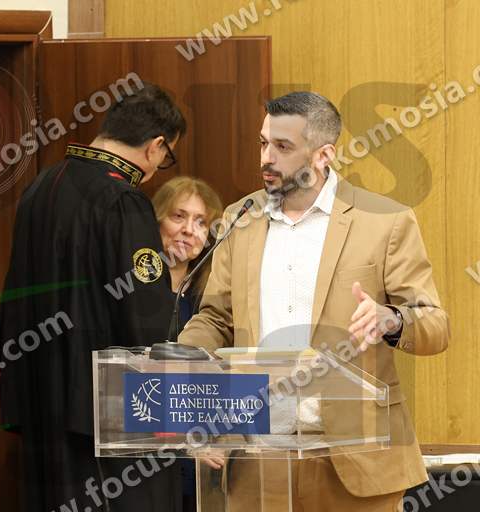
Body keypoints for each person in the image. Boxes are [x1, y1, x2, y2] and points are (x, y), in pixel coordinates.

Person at [178, 91, 449, 511]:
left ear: (324, 155)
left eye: (283, 147)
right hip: (258, 456)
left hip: (357, 458)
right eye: (263, 143)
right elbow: (216, 318)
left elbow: (434, 324)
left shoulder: (385, 221)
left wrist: (392, 319)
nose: (266, 158)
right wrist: (181, 366)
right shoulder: (240, 218)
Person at [0, 83, 187, 512]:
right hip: (103, 417)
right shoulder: (123, 199)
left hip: (41, 402)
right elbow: (143, 313)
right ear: (155, 146)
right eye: (165, 157)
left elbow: (14, 290)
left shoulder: (40, 188)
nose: (159, 167)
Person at [151, 177, 223, 512]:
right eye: (178, 216)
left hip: (206, 461)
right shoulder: (132, 294)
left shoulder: (213, 300)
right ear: (156, 221)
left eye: (201, 222)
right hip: (144, 457)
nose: (188, 230)